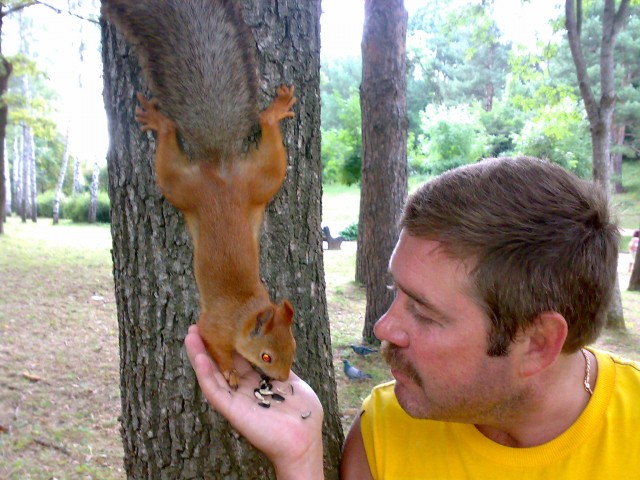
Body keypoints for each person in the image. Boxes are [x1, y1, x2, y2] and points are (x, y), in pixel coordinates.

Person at [185, 156, 640, 479]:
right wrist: (299, 461)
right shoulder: (386, 427)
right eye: (395, 292)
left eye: (423, 312)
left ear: (538, 343)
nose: (383, 327)